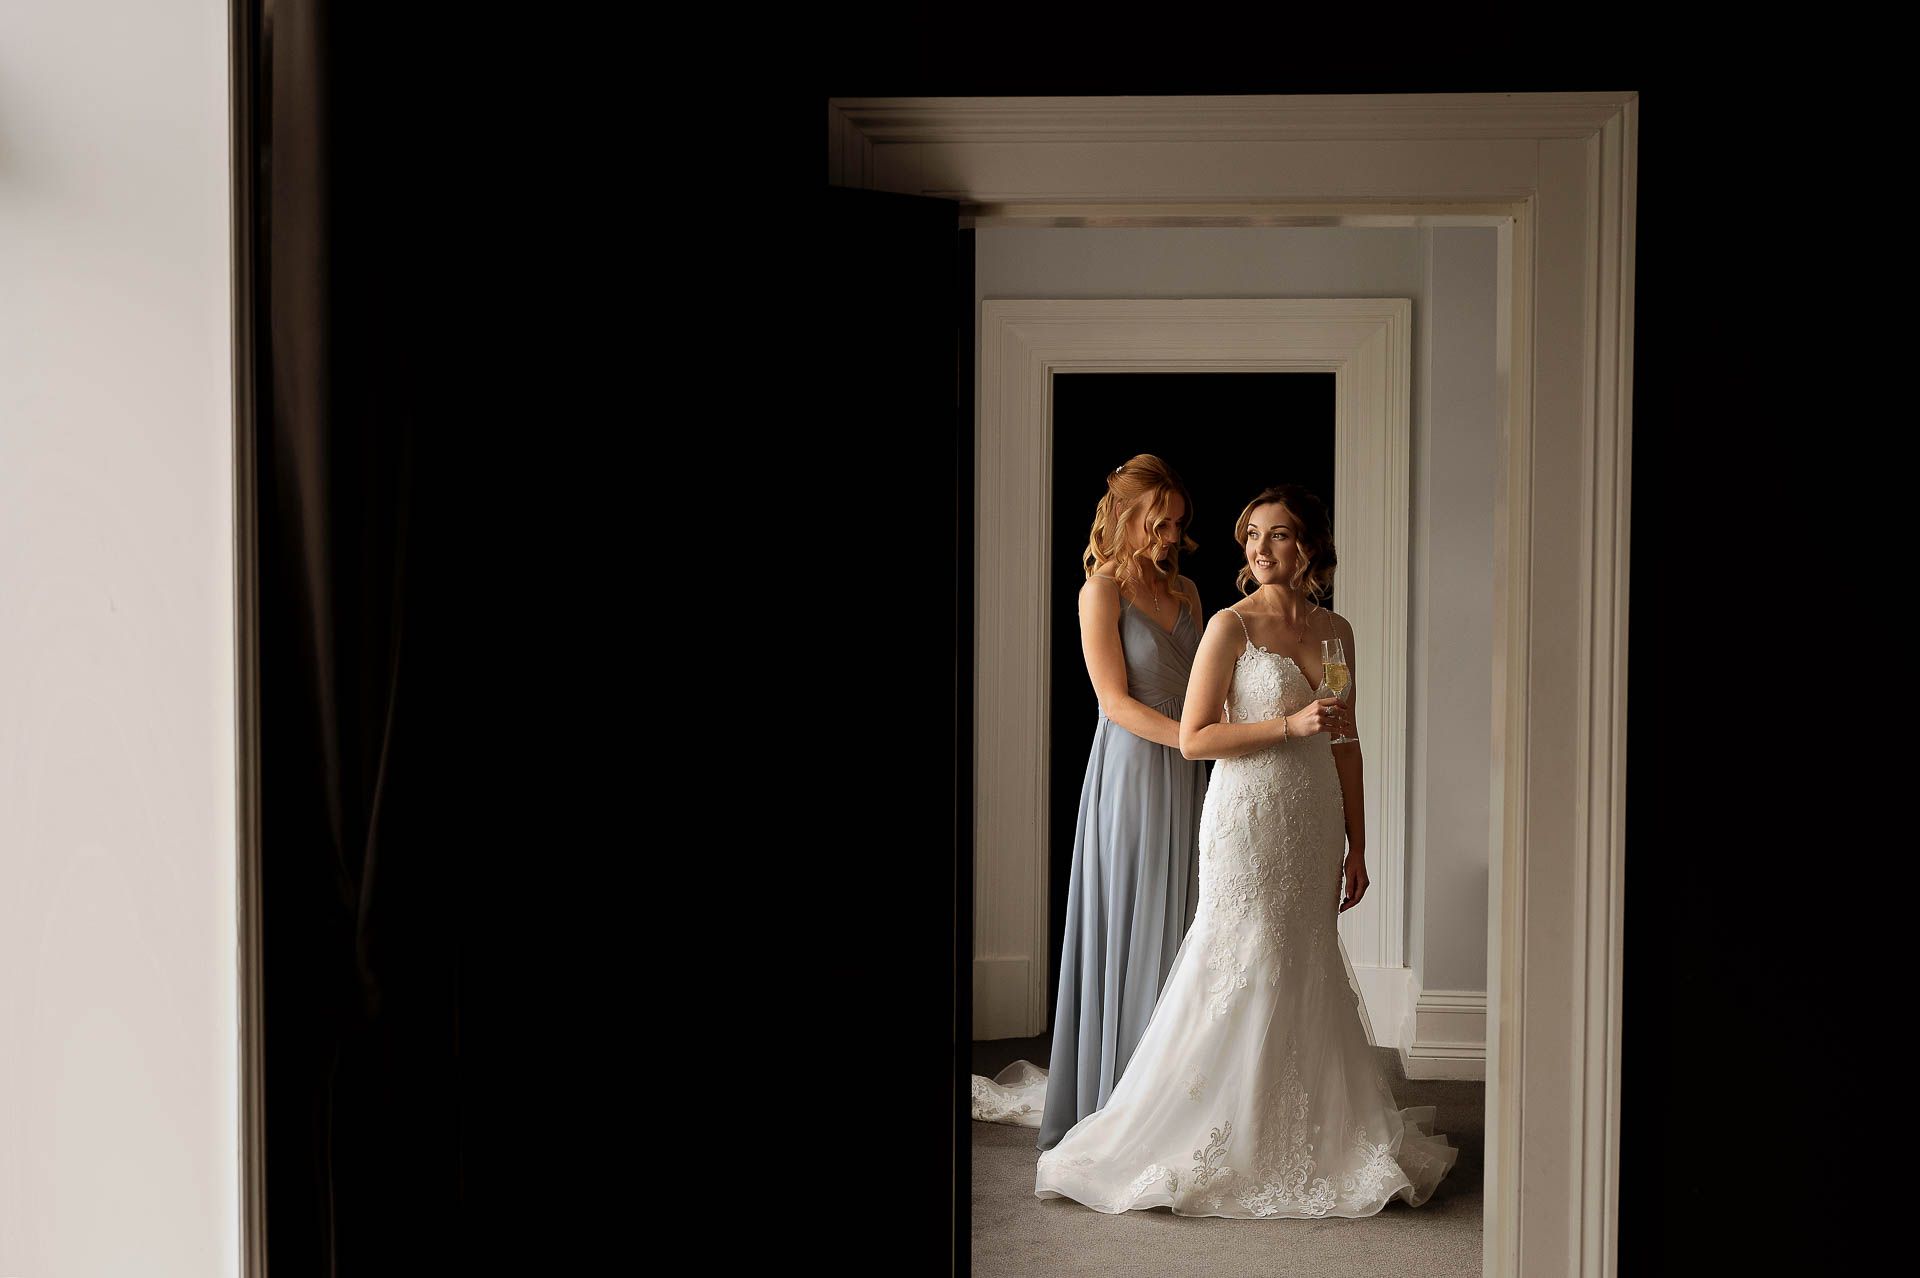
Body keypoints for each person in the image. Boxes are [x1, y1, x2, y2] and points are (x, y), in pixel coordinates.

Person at [1033, 484, 1458, 1218]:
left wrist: (1359, 840)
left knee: (1304, 956)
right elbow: (1196, 739)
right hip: (1246, 817)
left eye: (1280, 534)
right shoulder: (1228, 627)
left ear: (1311, 548)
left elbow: (1346, 737)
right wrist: (1289, 728)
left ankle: (1310, 1130)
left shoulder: (1336, 633)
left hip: (1315, 813)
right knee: (1242, 957)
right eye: (1252, 534)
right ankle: (1210, 1134)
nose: (1260, 548)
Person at [970, 456, 1211, 1149]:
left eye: (1176, 525)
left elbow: (1203, 685)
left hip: (1191, 771)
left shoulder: (1191, 592)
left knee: (1186, 918)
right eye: (1157, 524)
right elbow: (1114, 703)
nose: (1169, 537)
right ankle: (1117, 1097)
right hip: (1134, 768)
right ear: (1126, 519)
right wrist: (1199, 742)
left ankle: (1177, 1092)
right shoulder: (1101, 593)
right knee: (1134, 916)